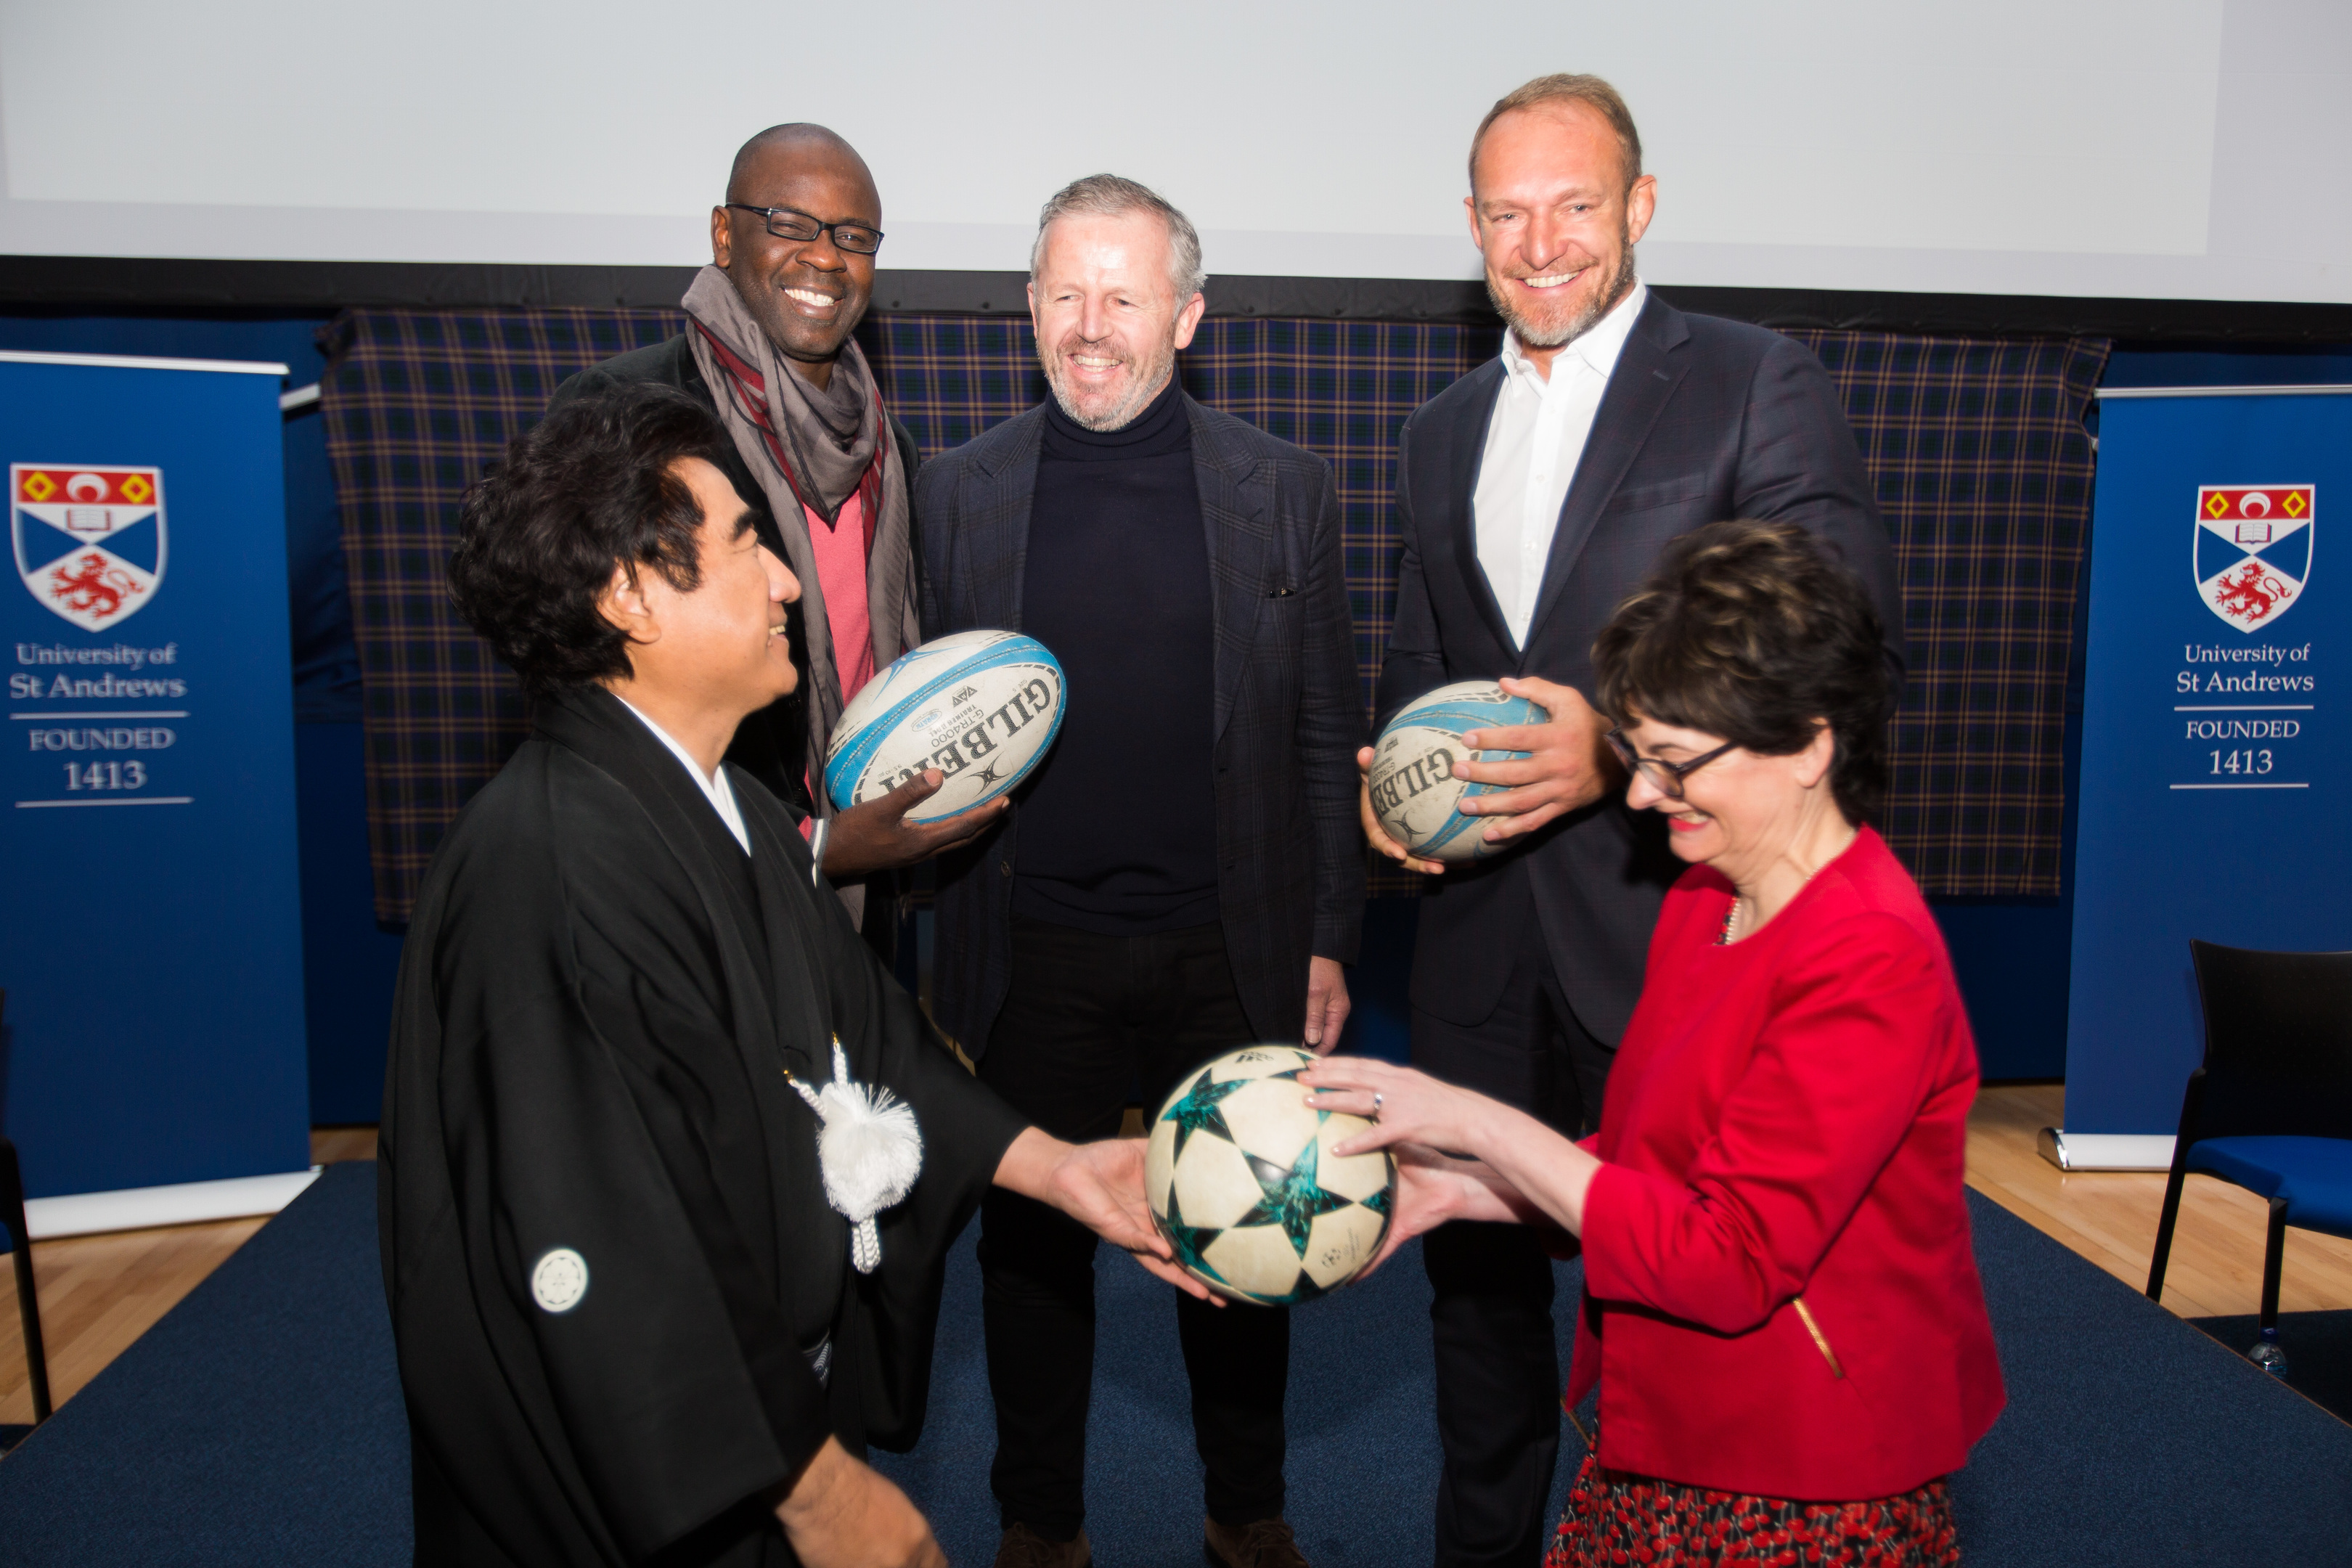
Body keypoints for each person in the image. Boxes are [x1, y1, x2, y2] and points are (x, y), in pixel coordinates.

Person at [378, 383, 1208, 1568]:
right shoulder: (545, 873)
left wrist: (1061, 1168)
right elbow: (604, 1240)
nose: (784, 583)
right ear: (630, 595)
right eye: (745, 544)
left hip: (768, 1410)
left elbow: (872, 1046)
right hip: (668, 1474)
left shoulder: (737, 812)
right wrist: (812, 1490)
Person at [1363, 73, 1908, 1568]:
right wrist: (1393, 799)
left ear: (1641, 208)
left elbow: (1841, 622)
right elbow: (1428, 657)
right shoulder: (1437, 426)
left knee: (1678, 1315)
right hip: (1479, 953)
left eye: (1576, 206)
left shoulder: (1748, 379)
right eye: (1506, 212)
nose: (1541, 244)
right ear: (1469, 224)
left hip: (1673, 936)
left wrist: (1618, 745)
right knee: (1477, 1342)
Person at [1310, 520, 2004, 1567]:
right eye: (1637, 756)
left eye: (1676, 763)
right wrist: (1468, 1188)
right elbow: (1650, 1172)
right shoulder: (1702, 896)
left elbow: (1728, 1259)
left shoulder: (1872, 957)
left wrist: (1478, 1120)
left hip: (1803, 1477)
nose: (1638, 795)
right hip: (1661, 1431)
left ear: (1812, 744)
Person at [915, 175, 1365, 1568]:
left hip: (1228, 946)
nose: (1090, 326)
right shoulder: (954, 492)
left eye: (1123, 295)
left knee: (1247, 1252)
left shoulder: (1283, 489)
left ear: (1187, 314)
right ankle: (1039, 1523)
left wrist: (1331, 938)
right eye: (1064, 294)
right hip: (1025, 948)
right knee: (1032, 1259)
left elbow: (1320, 730)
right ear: (1029, 310)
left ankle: (1246, 1512)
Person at [550, 123, 989, 936]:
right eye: (789, 223)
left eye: (854, 237)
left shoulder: (891, 451)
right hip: (680, 895)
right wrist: (812, 844)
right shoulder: (626, 415)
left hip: (860, 900)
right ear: (724, 235)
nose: (825, 257)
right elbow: (580, 693)